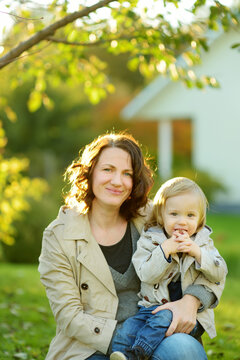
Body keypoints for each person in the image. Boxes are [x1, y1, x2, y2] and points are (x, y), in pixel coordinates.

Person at [39, 132, 220, 360]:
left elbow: (209, 262)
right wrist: (127, 343)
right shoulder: (59, 235)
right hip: (90, 346)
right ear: (90, 172)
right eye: (108, 170)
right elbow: (68, 315)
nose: (117, 181)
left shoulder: (155, 218)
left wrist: (190, 302)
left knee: (184, 351)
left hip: (157, 330)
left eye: (127, 174)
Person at [110, 177, 227, 360]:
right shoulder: (151, 240)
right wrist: (164, 251)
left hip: (191, 317)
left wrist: (198, 253)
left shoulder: (203, 242)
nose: (182, 221)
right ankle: (120, 355)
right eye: (174, 214)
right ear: (161, 215)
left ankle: (138, 354)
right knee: (126, 331)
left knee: (163, 319)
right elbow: (146, 274)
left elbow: (220, 272)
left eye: (190, 215)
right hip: (152, 308)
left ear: (200, 219)